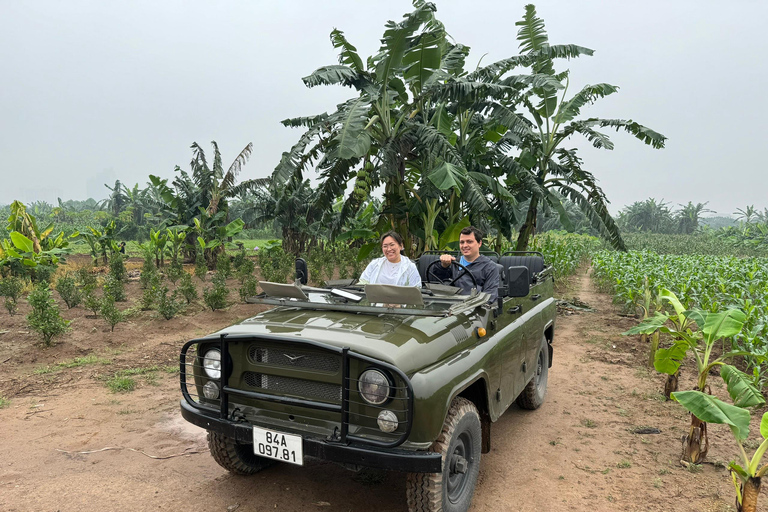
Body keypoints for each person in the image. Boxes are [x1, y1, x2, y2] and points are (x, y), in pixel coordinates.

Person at [433, 226, 500, 302]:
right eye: (462, 242)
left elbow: (489, 297)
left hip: (474, 309)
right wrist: (443, 266)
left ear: (479, 243)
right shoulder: (453, 263)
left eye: (469, 242)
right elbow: (438, 282)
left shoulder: (489, 267)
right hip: (449, 305)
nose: (465, 246)